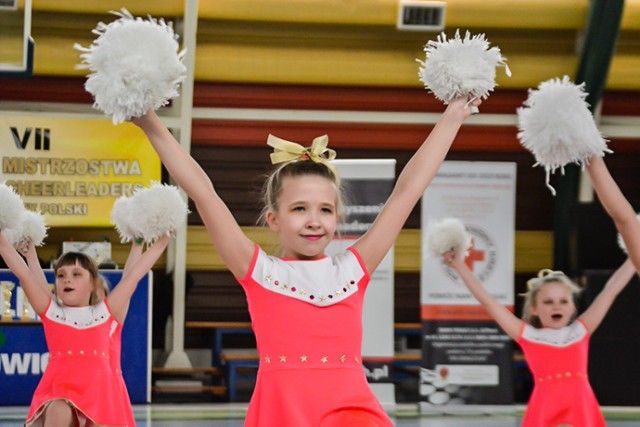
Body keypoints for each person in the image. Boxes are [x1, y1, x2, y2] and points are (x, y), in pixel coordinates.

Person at [132, 95, 480, 426]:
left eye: (325, 210)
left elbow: (408, 189)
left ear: (337, 217)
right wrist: (150, 122)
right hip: (283, 410)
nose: (314, 221)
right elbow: (203, 190)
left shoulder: (352, 268)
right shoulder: (259, 271)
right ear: (274, 219)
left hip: (351, 410)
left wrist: (451, 118)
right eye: (299, 209)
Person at [443, 239, 637, 426]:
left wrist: (634, 254)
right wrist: (460, 267)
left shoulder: (580, 330)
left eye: (563, 301)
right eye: (548, 302)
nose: (556, 307)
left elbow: (610, 291)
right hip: (546, 408)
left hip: (581, 406)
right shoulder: (528, 335)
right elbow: (489, 302)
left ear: (572, 308)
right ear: (534, 308)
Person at [0, 231, 168, 427]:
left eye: (76, 274)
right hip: (60, 389)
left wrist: (161, 242)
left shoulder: (105, 314)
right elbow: (25, 275)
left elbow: (132, 276)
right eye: (61, 275)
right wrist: (9, 244)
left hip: (100, 394)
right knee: (57, 410)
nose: (67, 280)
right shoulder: (54, 313)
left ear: (93, 284)